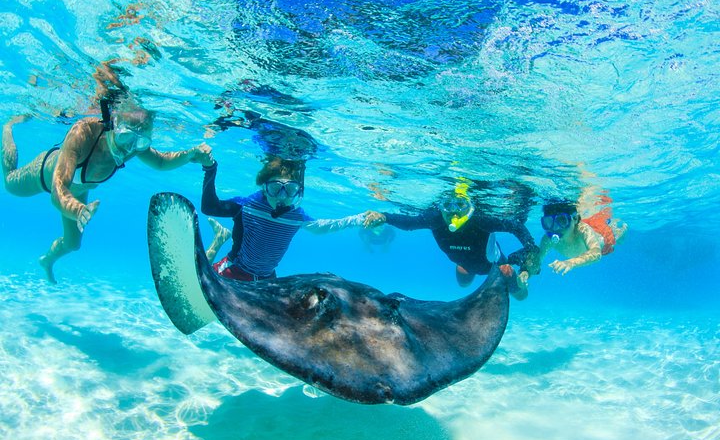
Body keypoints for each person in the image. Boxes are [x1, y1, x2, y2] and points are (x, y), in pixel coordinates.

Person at [1, 66, 212, 283]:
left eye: (140, 142)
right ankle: (8, 126)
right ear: (113, 123)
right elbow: (58, 190)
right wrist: (77, 209)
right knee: (9, 182)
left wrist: (190, 154)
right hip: (45, 176)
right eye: (125, 137)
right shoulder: (83, 132)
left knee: (73, 244)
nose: (129, 147)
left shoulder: (132, 144)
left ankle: (46, 261)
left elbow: (160, 161)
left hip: (79, 191)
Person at [200, 155, 376, 281]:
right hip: (235, 269)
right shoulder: (247, 206)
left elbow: (322, 227)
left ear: (298, 191)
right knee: (201, 280)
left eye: (290, 190)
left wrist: (357, 219)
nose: (281, 197)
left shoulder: (296, 215)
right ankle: (219, 239)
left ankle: (221, 235)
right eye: (275, 188)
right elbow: (209, 207)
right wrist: (210, 168)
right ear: (264, 186)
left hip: (268, 278)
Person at [366, 183, 540, 300]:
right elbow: (410, 223)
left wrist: (530, 246)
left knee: (519, 294)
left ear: (469, 209)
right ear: (441, 207)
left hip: (495, 265)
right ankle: (466, 268)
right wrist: (384, 217)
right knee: (463, 283)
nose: (454, 213)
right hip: (464, 264)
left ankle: (520, 286)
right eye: (448, 206)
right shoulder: (434, 219)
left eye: (461, 207)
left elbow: (515, 225)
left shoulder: (481, 221)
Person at [518, 194, 628, 287]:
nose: (555, 228)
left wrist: (571, 262)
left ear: (575, 219)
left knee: (617, 239)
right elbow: (537, 260)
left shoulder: (582, 229)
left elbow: (596, 252)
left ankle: (618, 229)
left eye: (562, 220)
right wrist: (526, 272)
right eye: (548, 222)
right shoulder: (548, 239)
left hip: (602, 243)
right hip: (583, 250)